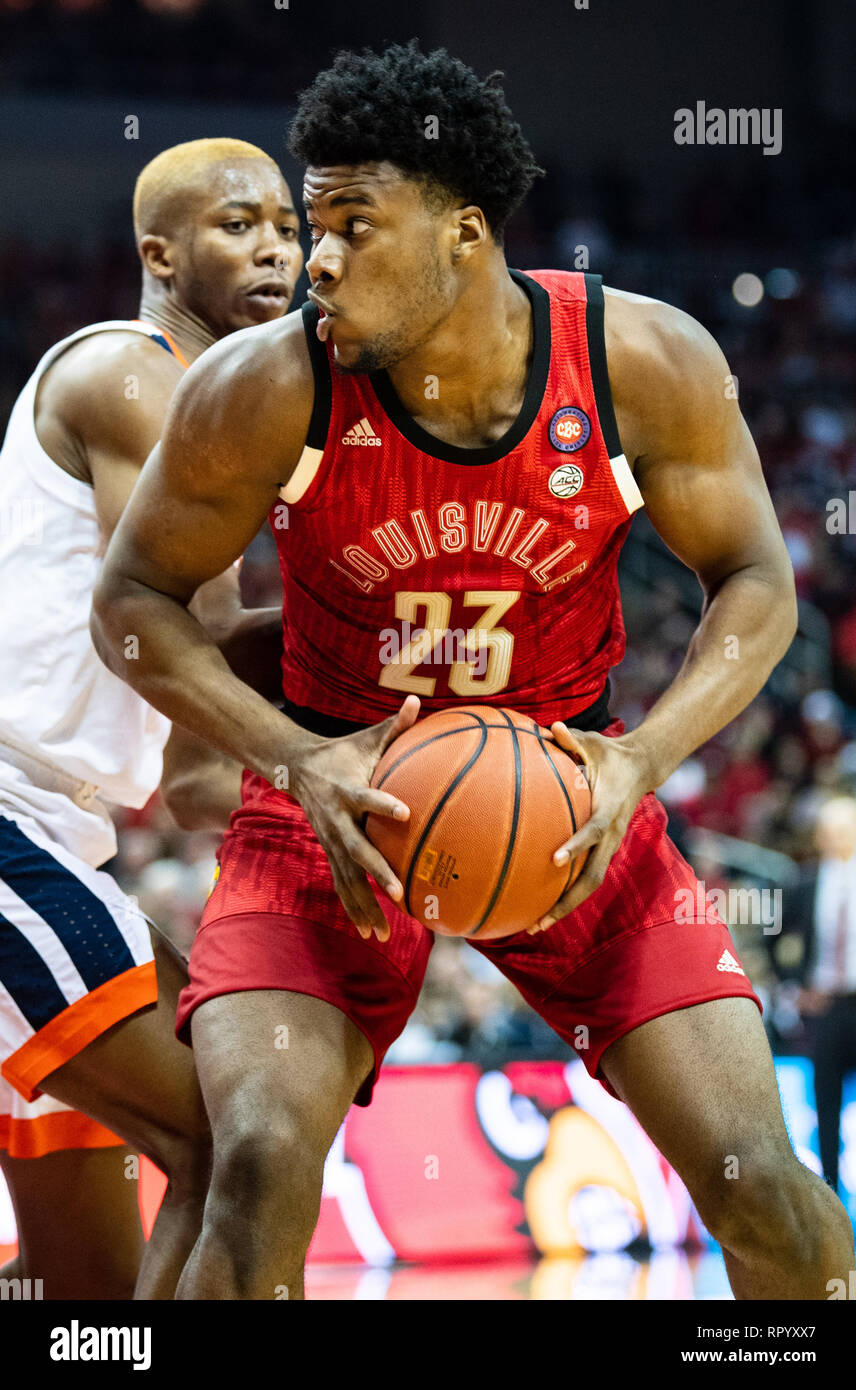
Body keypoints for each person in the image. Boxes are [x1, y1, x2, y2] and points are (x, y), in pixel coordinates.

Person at [92, 43, 856, 1299]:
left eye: (350, 222)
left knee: (764, 1192)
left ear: (462, 232)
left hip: (570, 799)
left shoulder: (639, 362)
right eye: (306, 214)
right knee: (260, 1166)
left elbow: (758, 581)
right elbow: (132, 603)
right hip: (329, 805)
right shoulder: (259, 388)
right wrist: (293, 757)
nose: (312, 256)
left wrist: (639, 758)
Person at [0, 137, 300, 1298]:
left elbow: (187, 779)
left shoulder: (226, 415)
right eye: (237, 224)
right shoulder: (133, 373)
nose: (274, 243)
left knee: (85, 1290)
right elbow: (196, 637)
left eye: (286, 222)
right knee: (236, 1137)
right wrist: (396, 631)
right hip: (10, 823)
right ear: (159, 252)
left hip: (64, 836)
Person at [772, 796, 856, 1192]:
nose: (836, 838)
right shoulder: (805, 882)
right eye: (829, 831)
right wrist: (793, 983)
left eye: (844, 829)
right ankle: (831, 1198)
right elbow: (772, 931)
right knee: (825, 1107)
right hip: (826, 1009)